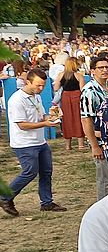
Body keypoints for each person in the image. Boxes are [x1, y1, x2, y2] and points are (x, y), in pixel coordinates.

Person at [0, 69, 67, 216]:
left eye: (43, 85)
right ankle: (5, 197)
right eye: (38, 85)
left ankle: (47, 202)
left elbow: (40, 115)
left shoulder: (36, 97)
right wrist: (45, 124)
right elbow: (22, 125)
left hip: (39, 141)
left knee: (46, 171)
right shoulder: (17, 100)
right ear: (27, 82)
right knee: (29, 171)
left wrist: (51, 116)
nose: (41, 89)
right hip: (24, 143)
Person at [81, 54, 108, 199]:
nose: (104, 70)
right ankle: (104, 212)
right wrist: (95, 145)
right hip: (101, 142)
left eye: (106, 67)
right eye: (100, 68)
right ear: (92, 71)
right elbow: (86, 120)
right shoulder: (89, 91)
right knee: (105, 180)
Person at [56, 57, 85, 150]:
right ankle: (81, 144)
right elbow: (83, 89)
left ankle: (68, 145)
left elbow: (56, 88)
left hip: (65, 97)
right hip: (76, 96)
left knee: (66, 119)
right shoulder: (79, 75)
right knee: (78, 118)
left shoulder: (61, 75)